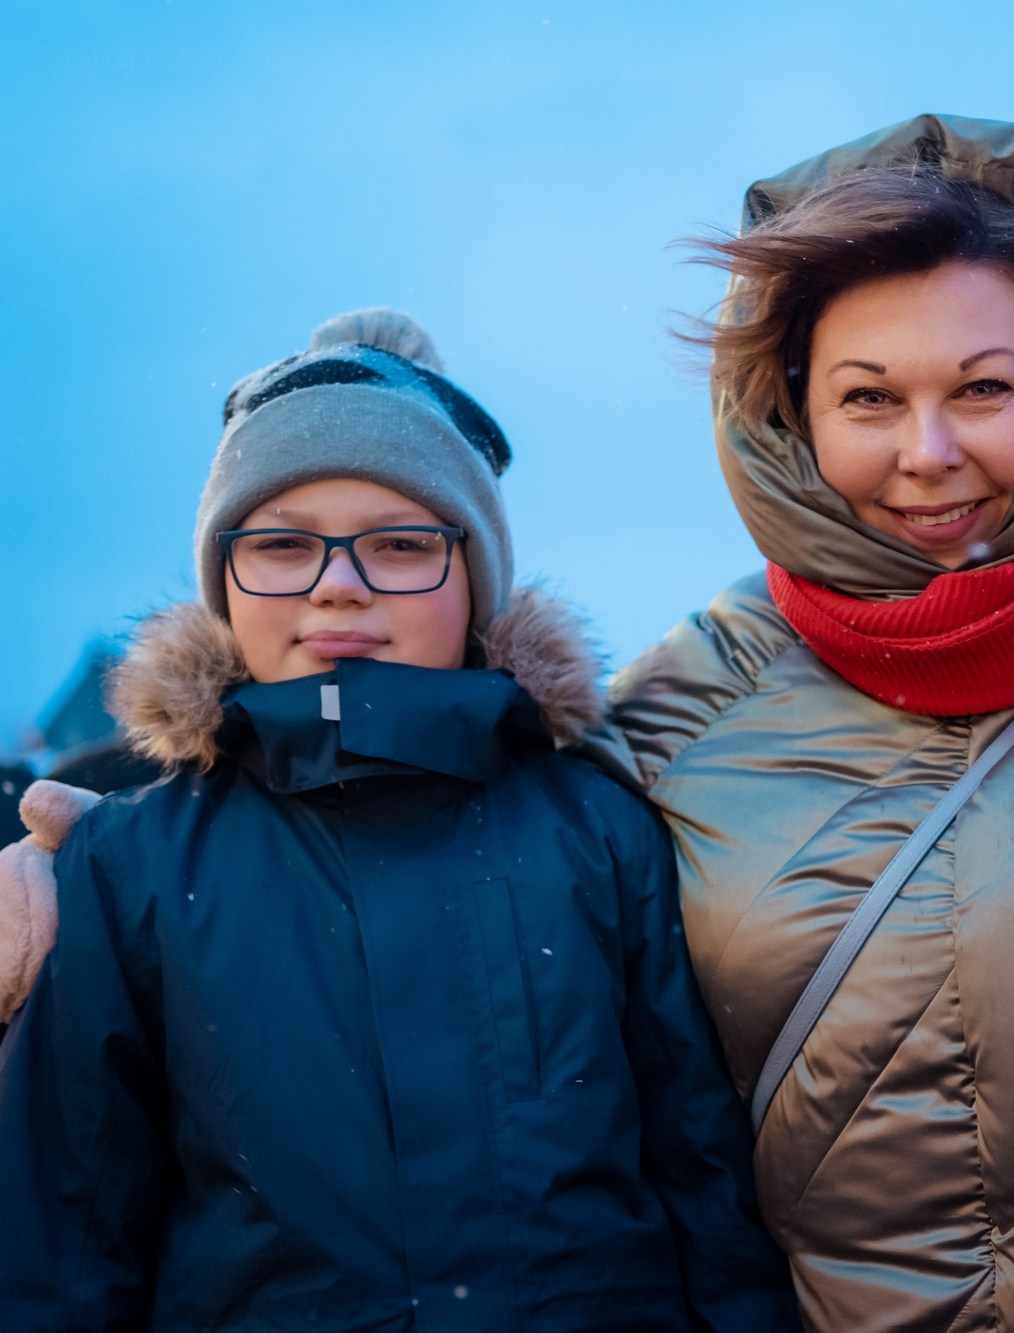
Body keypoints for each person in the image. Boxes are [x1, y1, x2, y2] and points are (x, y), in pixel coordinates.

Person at [591, 114, 1014, 1330]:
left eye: (984, 389)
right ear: (791, 411)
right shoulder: (680, 709)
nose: (928, 452)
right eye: (869, 399)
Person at [0, 310, 797, 1331]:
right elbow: (64, 1242)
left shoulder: (598, 830)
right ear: (223, 583)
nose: (340, 584)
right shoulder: (127, 863)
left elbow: (705, 1191)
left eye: (401, 543)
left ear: (473, 579)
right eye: (282, 545)